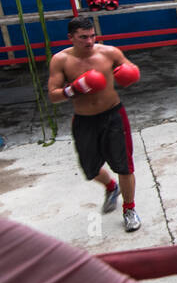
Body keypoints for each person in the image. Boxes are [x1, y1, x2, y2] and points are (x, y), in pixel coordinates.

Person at [47, 16, 142, 232]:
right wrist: (73, 89)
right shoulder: (60, 60)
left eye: (92, 36)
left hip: (114, 115)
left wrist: (130, 73)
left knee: (124, 165)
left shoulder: (109, 53)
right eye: (82, 37)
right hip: (84, 120)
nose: (89, 41)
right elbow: (53, 96)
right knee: (89, 168)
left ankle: (129, 209)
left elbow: (131, 69)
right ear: (70, 37)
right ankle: (111, 187)